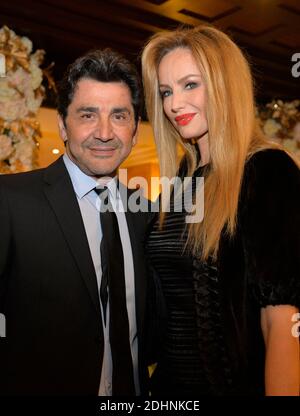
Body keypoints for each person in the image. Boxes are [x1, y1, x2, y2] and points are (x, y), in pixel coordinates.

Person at [141, 25, 300, 396]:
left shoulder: (267, 171)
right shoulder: (184, 177)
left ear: (225, 85)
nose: (174, 104)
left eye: (190, 84)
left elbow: (283, 323)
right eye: (166, 91)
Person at [0, 48, 151, 395]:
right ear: (62, 125)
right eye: (87, 115)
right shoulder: (10, 201)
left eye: (119, 115)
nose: (103, 132)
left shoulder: (145, 213)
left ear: (135, 129)